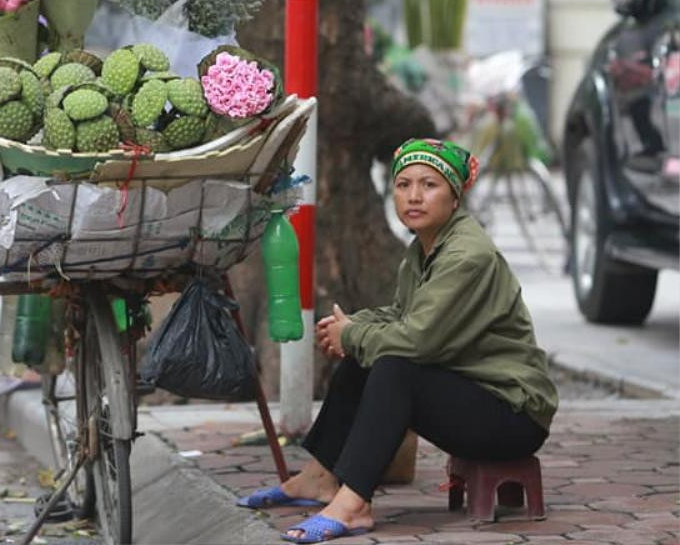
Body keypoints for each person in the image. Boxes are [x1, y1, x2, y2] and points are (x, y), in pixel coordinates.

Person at [238, 138, 558, 543]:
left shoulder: (466, 256)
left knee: (395, 370)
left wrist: (353, 334)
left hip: (513, 414)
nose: (414, 196)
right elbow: (402, 316)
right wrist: (353, 326)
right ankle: (320, 479)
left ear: (455, 196)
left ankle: (353, 504)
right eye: (403, 185)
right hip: (479, 393)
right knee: (365, 361)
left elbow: (420, 341)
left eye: (429, 185)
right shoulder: (426, 247)